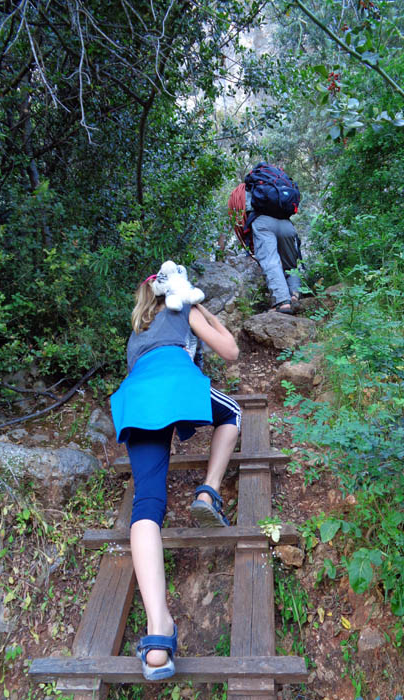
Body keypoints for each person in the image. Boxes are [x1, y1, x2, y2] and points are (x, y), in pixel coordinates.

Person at [110, 267, 241, 681]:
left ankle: (158, 634)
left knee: (147, 503)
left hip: (137, 398)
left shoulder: (136, 334)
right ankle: (208, 492)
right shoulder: (184, 308)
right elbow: (231, 351)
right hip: (178, 387)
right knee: (232, 414)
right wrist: (203, 309)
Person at [227, 182, 302, 314]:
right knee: (291, 265)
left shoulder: (248, 189)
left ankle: (282, 302)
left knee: (270, 261)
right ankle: (294, 296)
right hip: (287, 225)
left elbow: (241, 214)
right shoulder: (277, 187)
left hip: (263, 223)